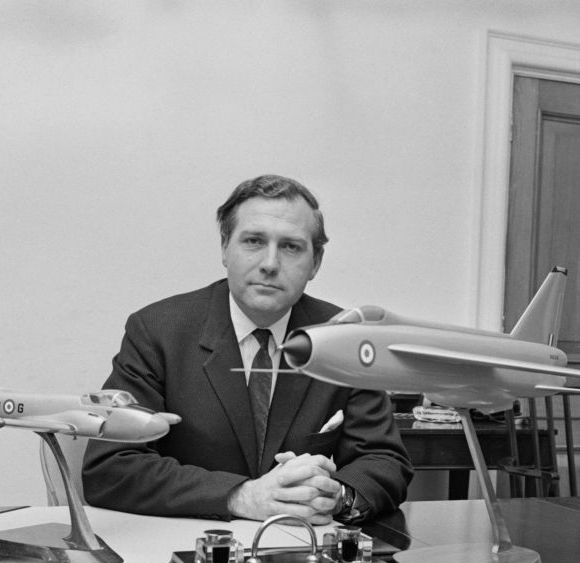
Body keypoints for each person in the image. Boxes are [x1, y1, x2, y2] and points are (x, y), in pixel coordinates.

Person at [82, 175, 412, 524]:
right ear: (225, 248)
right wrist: (242, 496)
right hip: (190, 548)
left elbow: (385, 461)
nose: (270, 264)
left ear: (315, 262)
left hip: (306, 550)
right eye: (254, 241)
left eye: (291, 247)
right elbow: (110, 467)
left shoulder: (345, 340)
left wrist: (336, 496)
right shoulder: (158, 332)